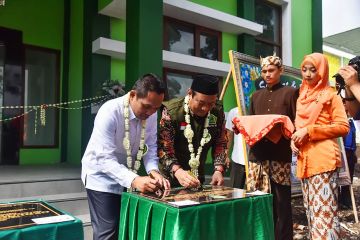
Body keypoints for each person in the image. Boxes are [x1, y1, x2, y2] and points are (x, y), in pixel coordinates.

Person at [81, 74, 170, 240]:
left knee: (128, 228)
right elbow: (104, 159)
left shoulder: (150, 114)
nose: (150, 113)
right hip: (101, 177)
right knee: (108, 232)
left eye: (155, 109)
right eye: (147, 107)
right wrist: (135, 180)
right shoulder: (109, 111)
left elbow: (150, 148)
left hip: (129, 175)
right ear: (133, 95)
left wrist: (153, 171)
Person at [291, 53, 349, 239]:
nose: (307, 74)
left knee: (325, 214)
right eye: (304, 69)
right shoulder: (302, 96)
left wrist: (310, 131)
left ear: (322, 71)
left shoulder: (331, 95)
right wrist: (294, 139)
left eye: (313, 70)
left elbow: (343, 127)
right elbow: (298, 127)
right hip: (305, 160)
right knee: (312, 214)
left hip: (323, 159)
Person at [248, 54, 297, 240]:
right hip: (258, 156)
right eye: (264, 71)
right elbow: (251, 123)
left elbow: (295, 123)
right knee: (258, 199)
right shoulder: (255, 96)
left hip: (280, 155)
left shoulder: (290, 93)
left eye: (271, 70)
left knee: (282, 203)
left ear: (281, 71)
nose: (267, 74)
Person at [158, 74, 227, 188]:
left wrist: (218, 170)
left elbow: (221, 142)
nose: (205, 108)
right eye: (201, 103)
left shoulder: (217, 112)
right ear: (189, 93)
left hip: (197, 179)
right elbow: (164, 149)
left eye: (211, 103)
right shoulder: (172, 112)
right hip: (168, 180)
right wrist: (178, 171)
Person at [339, 103, 357, 209]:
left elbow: (353, 139)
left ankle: (345, 199)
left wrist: (353, 152)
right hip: (340, 152)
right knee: (337, 178)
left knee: (347, 178)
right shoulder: (337, 121)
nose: (345, 106)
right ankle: (336, 199)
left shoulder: (351, 121)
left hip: (349, 153)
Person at [225, 107, 246, 189]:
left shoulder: (259, 111)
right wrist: (226, 154)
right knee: (235, 191)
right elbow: (229, 134)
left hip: (255, 161)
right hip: (238, 159)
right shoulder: (234, 111)